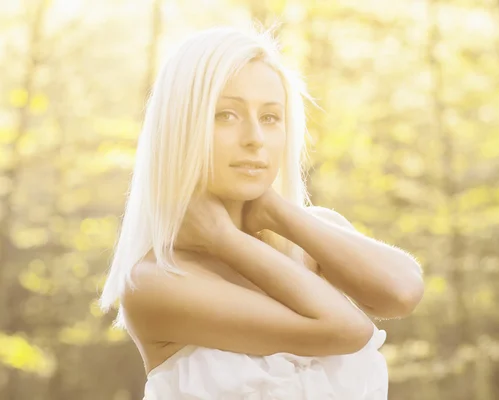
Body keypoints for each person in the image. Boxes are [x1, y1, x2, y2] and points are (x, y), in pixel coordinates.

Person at [99, 25, 424, 399]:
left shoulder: (312, 234)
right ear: (181, 127)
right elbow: (347, 330)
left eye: (270, 118)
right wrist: (225, 240)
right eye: (226, 115)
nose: (254, 138)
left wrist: (278, 211)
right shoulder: (155, 281)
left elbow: (402, 293)